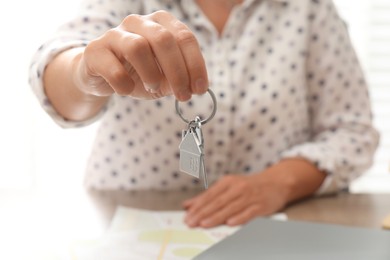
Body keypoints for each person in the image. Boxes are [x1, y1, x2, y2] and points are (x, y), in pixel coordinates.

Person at [29, 0, 379, 228]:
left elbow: (353, 133)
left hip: (274, 227)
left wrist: (278, 182)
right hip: (123, 224)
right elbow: (53, 69)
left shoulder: (310, 9)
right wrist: (83, 73)